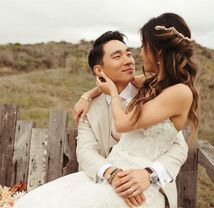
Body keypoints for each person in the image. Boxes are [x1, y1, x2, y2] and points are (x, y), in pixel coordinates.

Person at [14, 12, 198, 208]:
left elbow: (179, 146)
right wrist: (112, 174)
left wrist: (149, 174)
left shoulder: (154, 91)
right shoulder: (89, 109)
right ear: (99, 70)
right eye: (117, 56)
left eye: (130, 52)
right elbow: (85, 152)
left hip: (147, 190)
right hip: (103, 184)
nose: (130, 59)